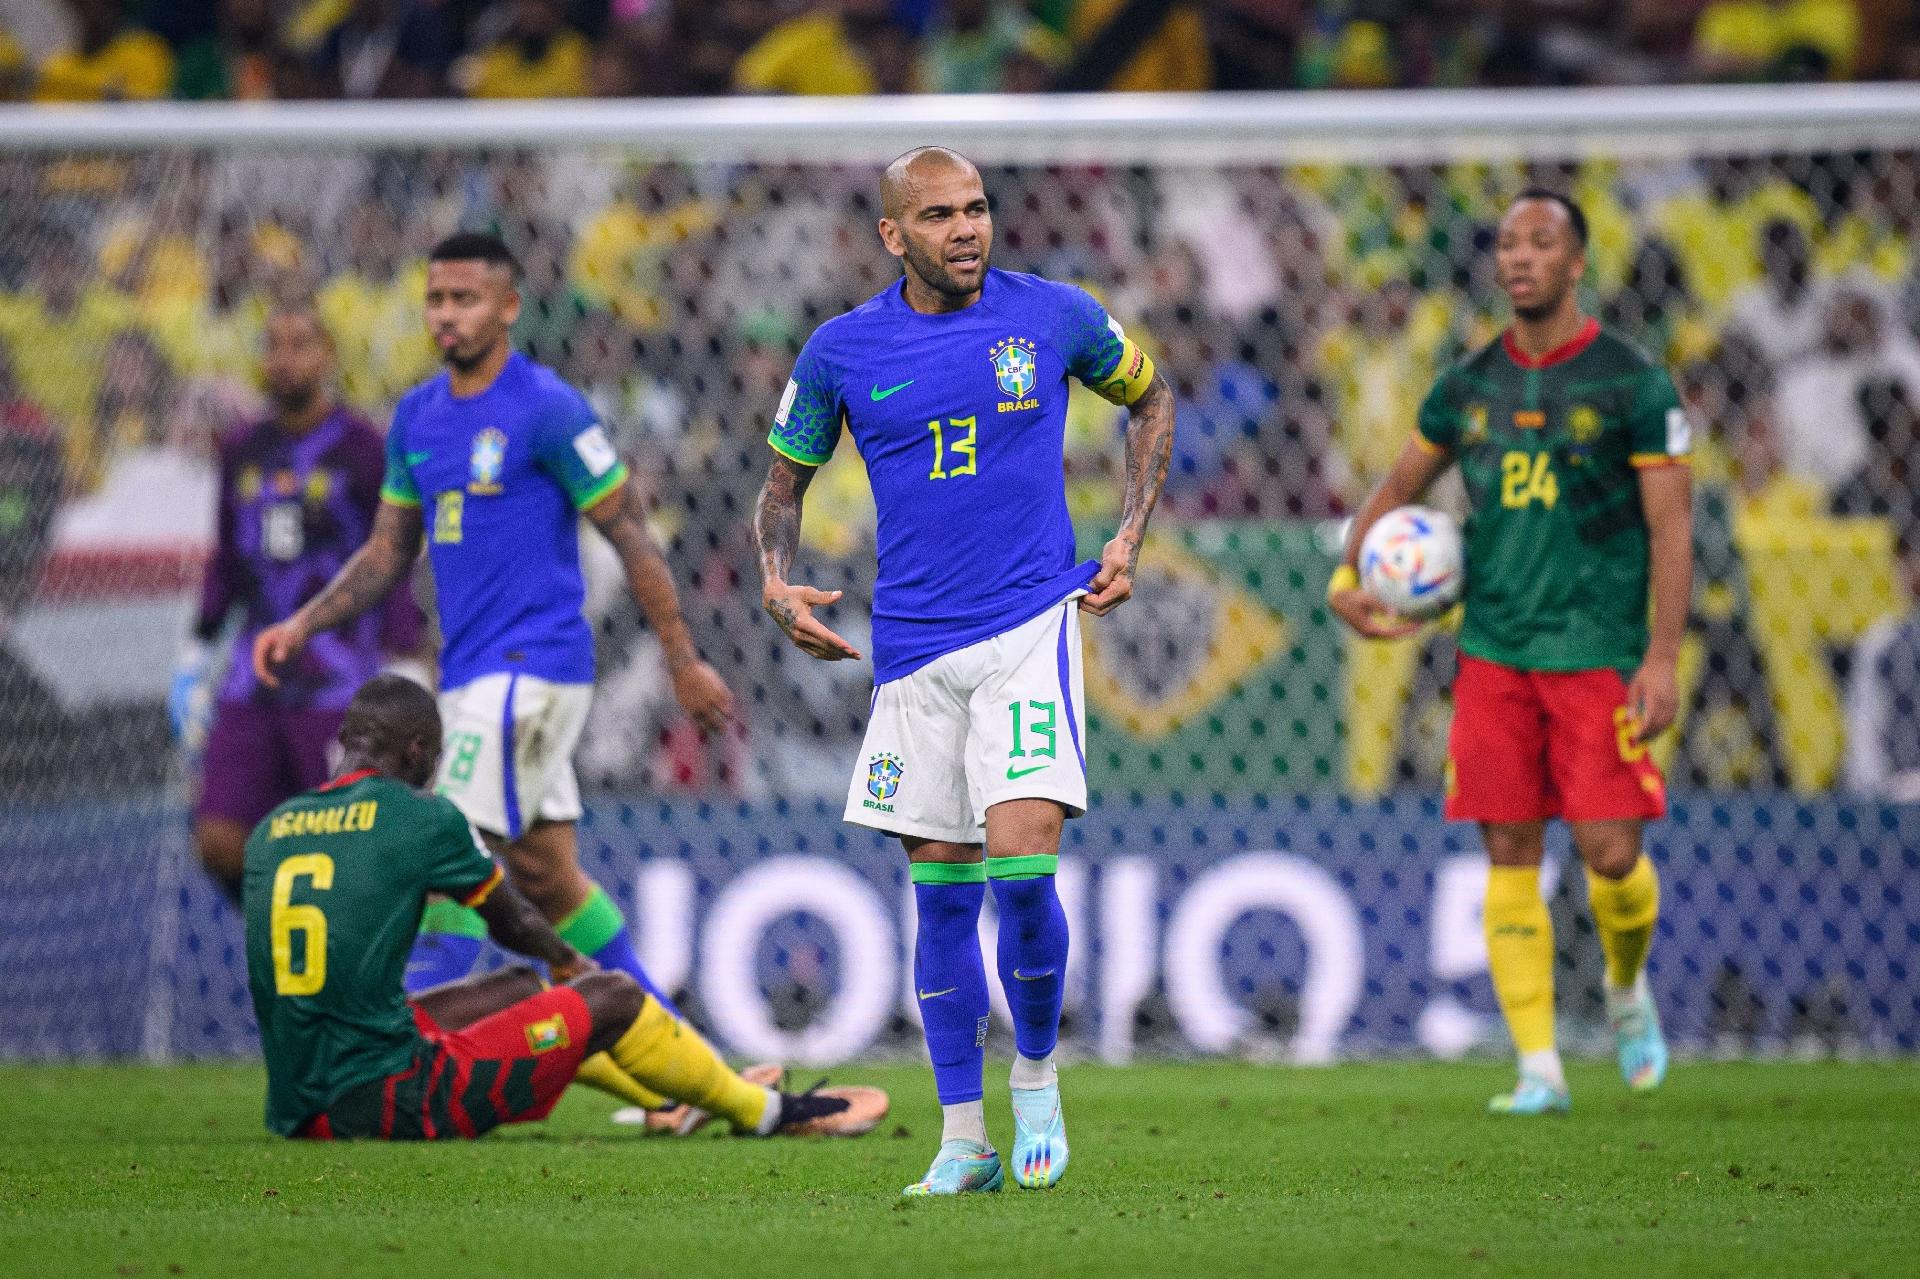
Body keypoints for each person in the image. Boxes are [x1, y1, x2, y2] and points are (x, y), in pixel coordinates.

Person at [751, 147, 1174, 1194]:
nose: (967, 229)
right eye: (939, 215)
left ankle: (1035, 1077)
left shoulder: (1057, 315)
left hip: (1029, 624)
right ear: (894, 236)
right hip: (911, 651)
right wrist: (775, 577)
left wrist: (1127, 535)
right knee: (940, 900)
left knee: (1023, 873)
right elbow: (783, 485)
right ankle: (961, 1140)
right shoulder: (843, 350)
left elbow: (1152, 401)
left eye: (977, 208)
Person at [252, 232, 732, 1038]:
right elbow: (385, 552)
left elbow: (631, 532)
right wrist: (303, 622)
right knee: (549, 880)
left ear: (507, 306)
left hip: (534, 668)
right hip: (471, 674)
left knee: (451, 853)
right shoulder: (417, 416)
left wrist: (682, 658)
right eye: (437, 299)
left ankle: (401, 1051)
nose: (448, 315)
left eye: (465, 298)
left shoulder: (547, 406)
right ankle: (679, 1066)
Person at [1329, 190, 1694, 1115]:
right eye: (1507, 243)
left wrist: (1661, 657)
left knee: (1612, 853)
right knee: (1508, 849)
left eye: (1543, 242)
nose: (1521, 256)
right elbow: (1395, 489)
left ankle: (1622, 987)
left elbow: (1672, 526)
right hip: (1492, 648)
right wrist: (1347, 577)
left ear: (1578, 265)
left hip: (1598, 651)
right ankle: (1538, 1065)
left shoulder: (1633, 384)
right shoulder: (1467, 387)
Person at [244, 673, 885, 1140]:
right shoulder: (417, 817)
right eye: (434, 758)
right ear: (416, 752)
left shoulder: (274, 829)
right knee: (613, 998)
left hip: (298, 1102)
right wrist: (566, 957)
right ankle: (765, 1113)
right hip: (387, 1101)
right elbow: (507, 915)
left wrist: (546, 971)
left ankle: (672, 1103)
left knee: (523, 989)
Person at [175, 305, 425, 901]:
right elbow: (228, 557)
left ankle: (361, 977)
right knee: (219, 841)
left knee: (349, 858)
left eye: (300, 345)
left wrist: (407, 655)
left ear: (327, 357)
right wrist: (196, 649)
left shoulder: (363, 449)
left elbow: (392, 556)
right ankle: (291, 954)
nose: (284, 360)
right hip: (251, 678)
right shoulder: (242, 450)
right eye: (273, 346)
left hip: (339, 680)